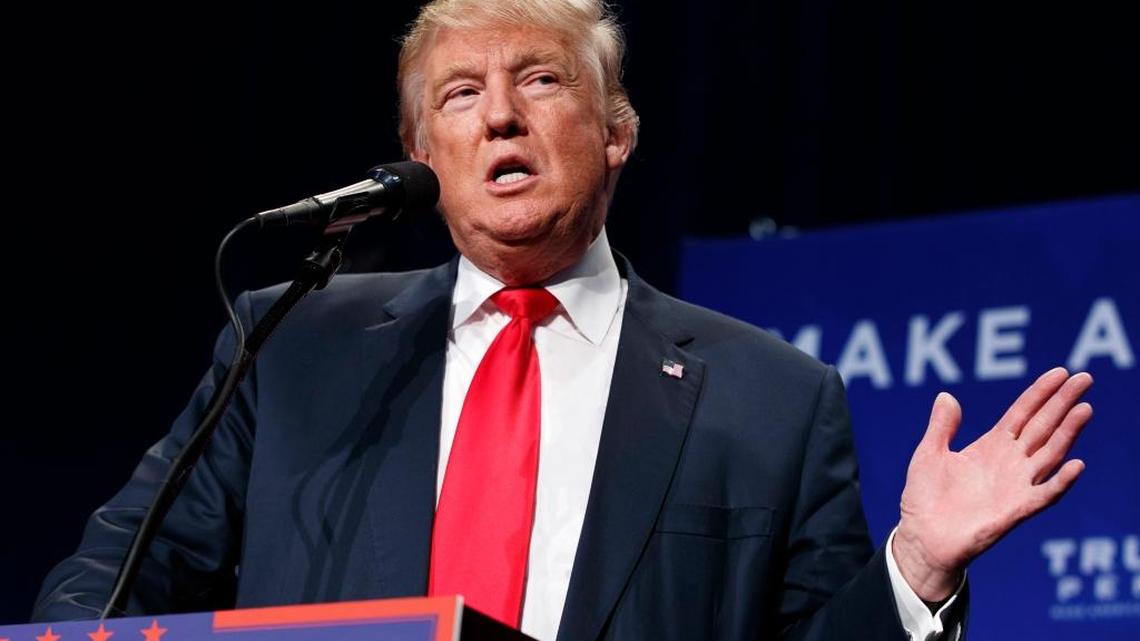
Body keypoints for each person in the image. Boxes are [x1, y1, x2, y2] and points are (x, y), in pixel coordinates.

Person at [34, 1, 1094, 640]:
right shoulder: (292, 342)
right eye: (458, 94)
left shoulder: (773, 399)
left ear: (618, 131)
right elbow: (108, 583)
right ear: (421, 151)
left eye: (538, 78)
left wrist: (915, 566)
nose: (499, 112)